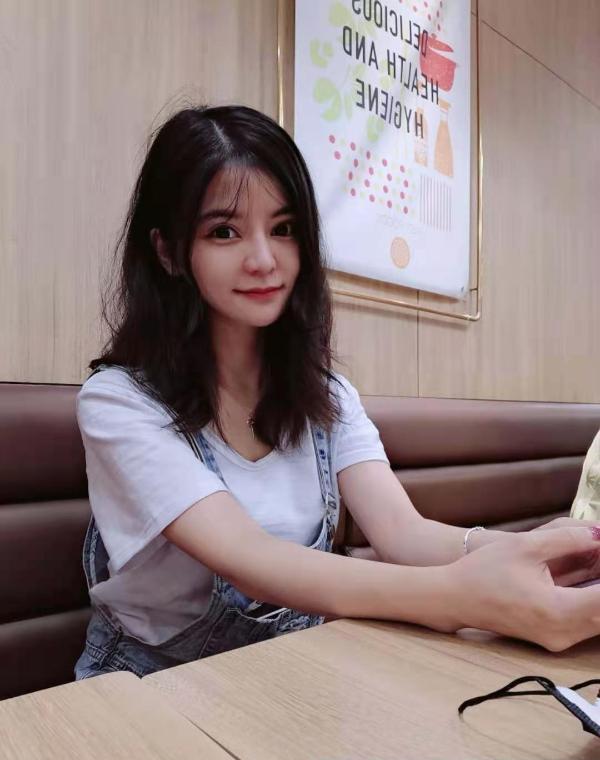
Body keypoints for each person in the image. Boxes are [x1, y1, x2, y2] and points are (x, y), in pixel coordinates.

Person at [76, 105, 600, 679]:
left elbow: (404, 533)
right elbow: (252, 559)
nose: (263, 260)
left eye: (284, 229)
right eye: (224, 232)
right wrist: (463, 597)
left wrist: (527, 551)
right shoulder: (118, 403)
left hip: (291, 673)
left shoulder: (326, 396)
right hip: (149, 686)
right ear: (168, 252)